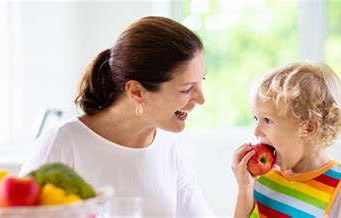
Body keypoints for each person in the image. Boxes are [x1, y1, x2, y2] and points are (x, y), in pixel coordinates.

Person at [19, 16, 213, 217]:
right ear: (137, 91)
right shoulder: (64, 143)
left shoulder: (170, 150)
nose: (201, 99)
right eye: (187, 89)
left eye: (201, 82)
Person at [231, 62, 341, 217]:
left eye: (267, 120)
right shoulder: (264, 178)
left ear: (308, 128)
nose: (256, 130)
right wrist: (245, 188)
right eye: (255, 118)